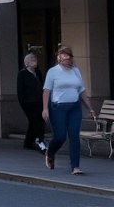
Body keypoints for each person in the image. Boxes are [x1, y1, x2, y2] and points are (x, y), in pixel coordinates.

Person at [42, 45, 96, 175]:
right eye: (63, 55)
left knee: (74, 136)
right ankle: (51, 151)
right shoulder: (53, 71)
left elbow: (81, 90)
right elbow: (46, 91)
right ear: (59, 57)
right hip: (58, 108)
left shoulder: (76, 71)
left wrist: (90, 108)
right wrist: (45, 109)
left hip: (74, 108)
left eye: (68, 55)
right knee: (60, 137)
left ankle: (75, 166)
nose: (66, 58)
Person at [16, 52, 47, 154]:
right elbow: (20, 91)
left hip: (38, 101)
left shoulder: (37, 72)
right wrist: (23, 102)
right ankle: (40, 142)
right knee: (35, 122)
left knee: (37, 121)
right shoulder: (22, 74)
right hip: (28, 103)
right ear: (27, 63)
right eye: (33, 61)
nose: (35, 62)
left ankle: (28, 142)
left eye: (36, 60)